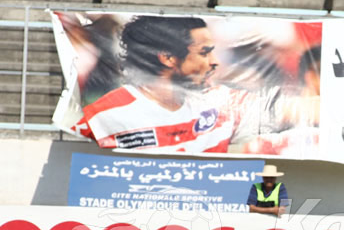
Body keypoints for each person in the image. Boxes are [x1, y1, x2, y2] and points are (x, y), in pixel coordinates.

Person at [72, 15, 259, 153]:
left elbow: (279, 111)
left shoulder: (222, 102)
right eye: (204, 53)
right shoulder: (104, 114)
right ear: (168, 58)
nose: (214, 61)